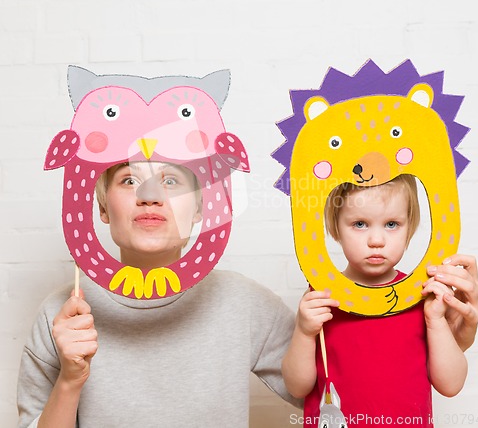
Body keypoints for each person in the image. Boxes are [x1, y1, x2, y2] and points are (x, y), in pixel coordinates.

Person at [18, 161, 300, 428]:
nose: (149, 196)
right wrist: (70, 380)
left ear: (200, 209)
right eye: (129, 180)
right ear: (103, 208)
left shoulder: (243, 302)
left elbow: (326, 396)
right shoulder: (62, 313)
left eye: (170, 180)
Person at [282, 175, 478, 427]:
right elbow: (297, 387)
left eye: (391, 224)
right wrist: (303, 331)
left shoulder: (422, 297)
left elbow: (451, 385)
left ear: (409, 227)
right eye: (360, 224)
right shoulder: (322, 296)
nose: (376, 240)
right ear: (335, 227)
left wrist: (436, 322)